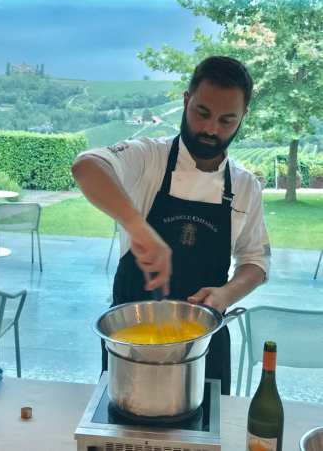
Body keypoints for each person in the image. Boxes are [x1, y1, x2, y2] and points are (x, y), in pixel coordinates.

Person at [72, 56, 270, 395]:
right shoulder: (149, 158)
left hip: (203, 347)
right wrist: (138, 227)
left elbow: (257, 263)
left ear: (243, 118)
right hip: (132, 347)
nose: (211, 129)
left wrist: (226, 294)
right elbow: (86, 166)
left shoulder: (245, 185)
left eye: (227, 120)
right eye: (202, 113)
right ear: (185, 100)